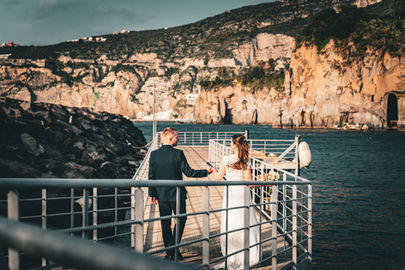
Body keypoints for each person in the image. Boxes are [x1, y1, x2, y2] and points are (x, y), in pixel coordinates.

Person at [148, 127, 213, 261]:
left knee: (165, 223)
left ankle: (170, 251)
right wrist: (207, 172)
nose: (178, 139)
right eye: (176, 137)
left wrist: (152, 194)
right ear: (170, 139)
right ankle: (173, 249)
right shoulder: (178, 154)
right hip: (177, 194)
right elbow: (189, 172)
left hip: (161, 195)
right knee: (181, 219)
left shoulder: (154, 154)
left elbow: (151, 176)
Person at [212, 134, 260, 269]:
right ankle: (247, 255)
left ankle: (232, 255)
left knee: (231, 222)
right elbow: (250, 184)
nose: (229, 144)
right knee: (245, 222)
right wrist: (263, 183)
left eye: (231, 142)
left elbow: (218, 178)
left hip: (231, 195)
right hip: (243, 194)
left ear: (235, 145)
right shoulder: (245, 161)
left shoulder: (226, 159)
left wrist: (213, 170)